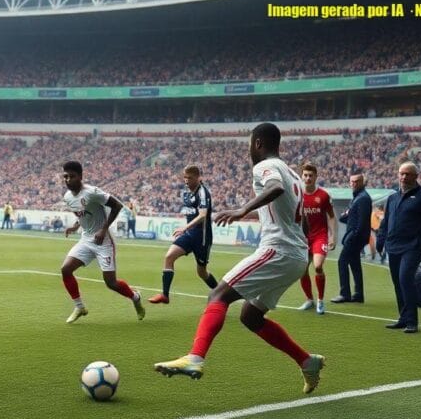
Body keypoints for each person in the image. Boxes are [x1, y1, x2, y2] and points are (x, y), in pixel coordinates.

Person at [154, 123, 325, 394]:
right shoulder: (293, 174)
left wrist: (242, 209)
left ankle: (195, 357)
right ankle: (307, 361)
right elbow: (299, 218)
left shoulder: (265, 168)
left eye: (249, 143)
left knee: (218, 296)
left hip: (278, 250)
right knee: (251, 317)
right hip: (295, 256)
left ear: (257, 143)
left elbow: (275, 187)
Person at [59, 160, 146, 324]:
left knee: (111, 283)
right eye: (65, 176)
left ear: (80, 176)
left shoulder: (92, 192)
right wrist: (75, 226)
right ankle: (80, 307)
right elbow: (84, 214)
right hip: (86, 239)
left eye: (72, 176)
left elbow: (117, 206)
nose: (68, 180)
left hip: (103, 241)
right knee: (65, 269)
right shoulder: (68, 197)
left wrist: (104, 229)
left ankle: (135, 297)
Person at [375, 162, 421, 334]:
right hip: (393, 246)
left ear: (416, 176)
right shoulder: (392, 197)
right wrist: (380, 241)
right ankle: (403, 318)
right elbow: (385, 222)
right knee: (397, 282)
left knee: (405, 279)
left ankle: (412, 321)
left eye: (408, 174)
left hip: (413, 246)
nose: (403, 177)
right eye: (401, 173)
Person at [149, 166, 218, 304]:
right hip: (189, 234)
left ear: (199, 178)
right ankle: (165, 295)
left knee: (202, 272)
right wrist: (186, 229)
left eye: (190, 178)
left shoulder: (203, 192)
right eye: (185, 178)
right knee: (169, 257)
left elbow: (203, 215)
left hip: (202, 237)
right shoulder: (187, 193)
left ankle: (221, 294)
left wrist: (184, 227)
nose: (186, 181)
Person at [295, 163, 337, 314]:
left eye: (310, 175)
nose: (307, 178)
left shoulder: (324, 195)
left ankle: (320, 300)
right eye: (305, 175)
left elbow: (332, 217)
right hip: (302, 238)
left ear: (315, 177)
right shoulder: (297, 195)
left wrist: (333, 236)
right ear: (302, 176)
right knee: (302, 270)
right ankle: (309, 300)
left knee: (318, 266)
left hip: (320, 236)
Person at [333, 173, 372, 304]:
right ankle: (358, 294)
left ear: (362, 182)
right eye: (352, 182)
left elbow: (362, 222)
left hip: (355, 237)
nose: (354, 184)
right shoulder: (358, 198)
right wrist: (347, 214)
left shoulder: (363, 199)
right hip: (355, 236)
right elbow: (344, 217)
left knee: (342, 261)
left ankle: (345, 294)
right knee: (355, 264)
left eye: (357, 181)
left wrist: (353, 236)